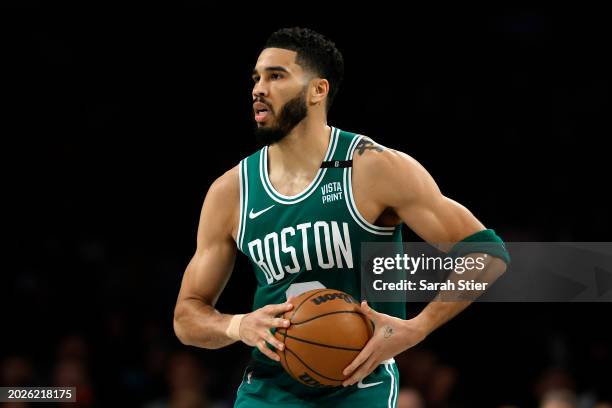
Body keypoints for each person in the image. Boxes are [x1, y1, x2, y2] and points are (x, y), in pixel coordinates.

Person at [173, 27, 509, 407]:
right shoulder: (231, 191)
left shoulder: (372, 168)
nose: (258, 89)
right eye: (256, 78)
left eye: (276, 76)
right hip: (269, 389)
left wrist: (418, 328)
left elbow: (486, 252)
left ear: (318, 90)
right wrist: (238, 325)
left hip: (361, 386)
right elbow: (186, 316)